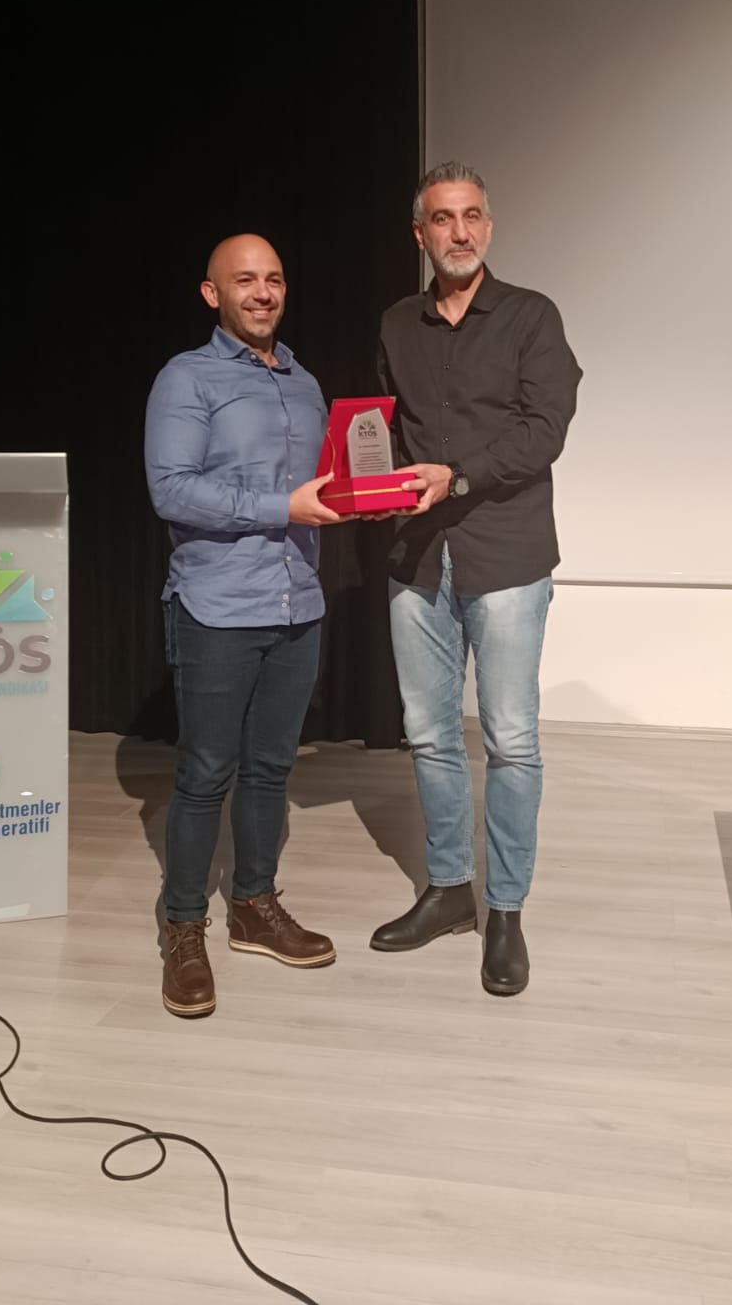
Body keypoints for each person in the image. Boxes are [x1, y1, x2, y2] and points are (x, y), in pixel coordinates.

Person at [370, 161, 581, 995]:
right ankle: (450, 890)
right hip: (417, 556)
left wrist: (455, 477)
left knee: (511, 740)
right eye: (441, 219)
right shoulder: (397, 323)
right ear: (419, 234)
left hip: (506, 556)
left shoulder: (532, 317)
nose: (458, 232)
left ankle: (506, 912)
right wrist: (372, 487)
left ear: (488, 227)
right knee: (428, 734)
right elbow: (386, 430)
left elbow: (544, 430)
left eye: (471, 216)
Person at [145, 233, 341, 1018]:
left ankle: (255, 905)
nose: (263, 292)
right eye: (246, 280)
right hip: (217, 606)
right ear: (212, 293)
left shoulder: (305, 381)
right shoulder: (186, 378)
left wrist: (365, 495)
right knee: (205, 774)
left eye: (275, 279)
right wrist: (280, 507)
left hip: (298, 603)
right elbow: (171, 489)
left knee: (271, 770)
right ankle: (183, 926)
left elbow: (325, 486)